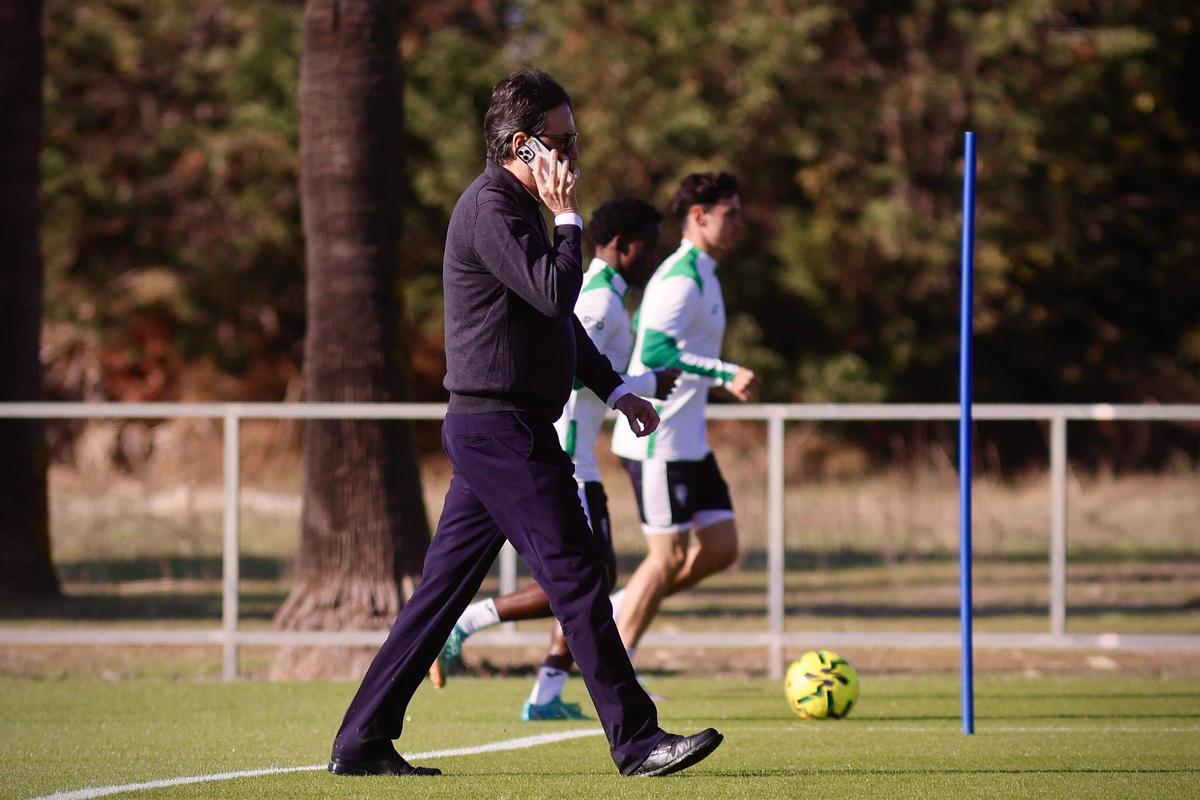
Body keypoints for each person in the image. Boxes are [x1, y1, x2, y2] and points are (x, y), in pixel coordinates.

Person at [327, 69, 722, 779]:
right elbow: (552, 291)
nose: (573, 156)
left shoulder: (514, 208)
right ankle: (637, 742)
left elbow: (559, 324)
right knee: (577, 576)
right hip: (501, 430)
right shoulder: (494, 208)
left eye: (575, 141)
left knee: (439, 599)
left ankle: (361, 740)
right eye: (562, 142)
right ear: (522, 144)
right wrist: (569, 221)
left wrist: (616, 388)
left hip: (501, 429)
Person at [429, 198, 680, 722]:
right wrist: (649, 383)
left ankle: (544, 693)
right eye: (649, 247)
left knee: (590, 576)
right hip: (560, 453)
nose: (652, 258)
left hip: (578, 453)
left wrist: (626, 390)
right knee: (582, 578)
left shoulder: (611, 296)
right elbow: (567, 371)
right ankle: (470, 625)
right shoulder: (597, 300)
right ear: (622, 246)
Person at [609, 172, 758, 680]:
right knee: (667, 556)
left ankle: (618, 607)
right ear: (699, 217)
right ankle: (616, 674)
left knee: (721, 548)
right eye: (730, 213)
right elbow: (653, 352)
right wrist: (724, 373)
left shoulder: (707, 274)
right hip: (657, 442)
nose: (740, 222)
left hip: (690, 440)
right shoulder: (680, 278)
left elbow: (653, 338)